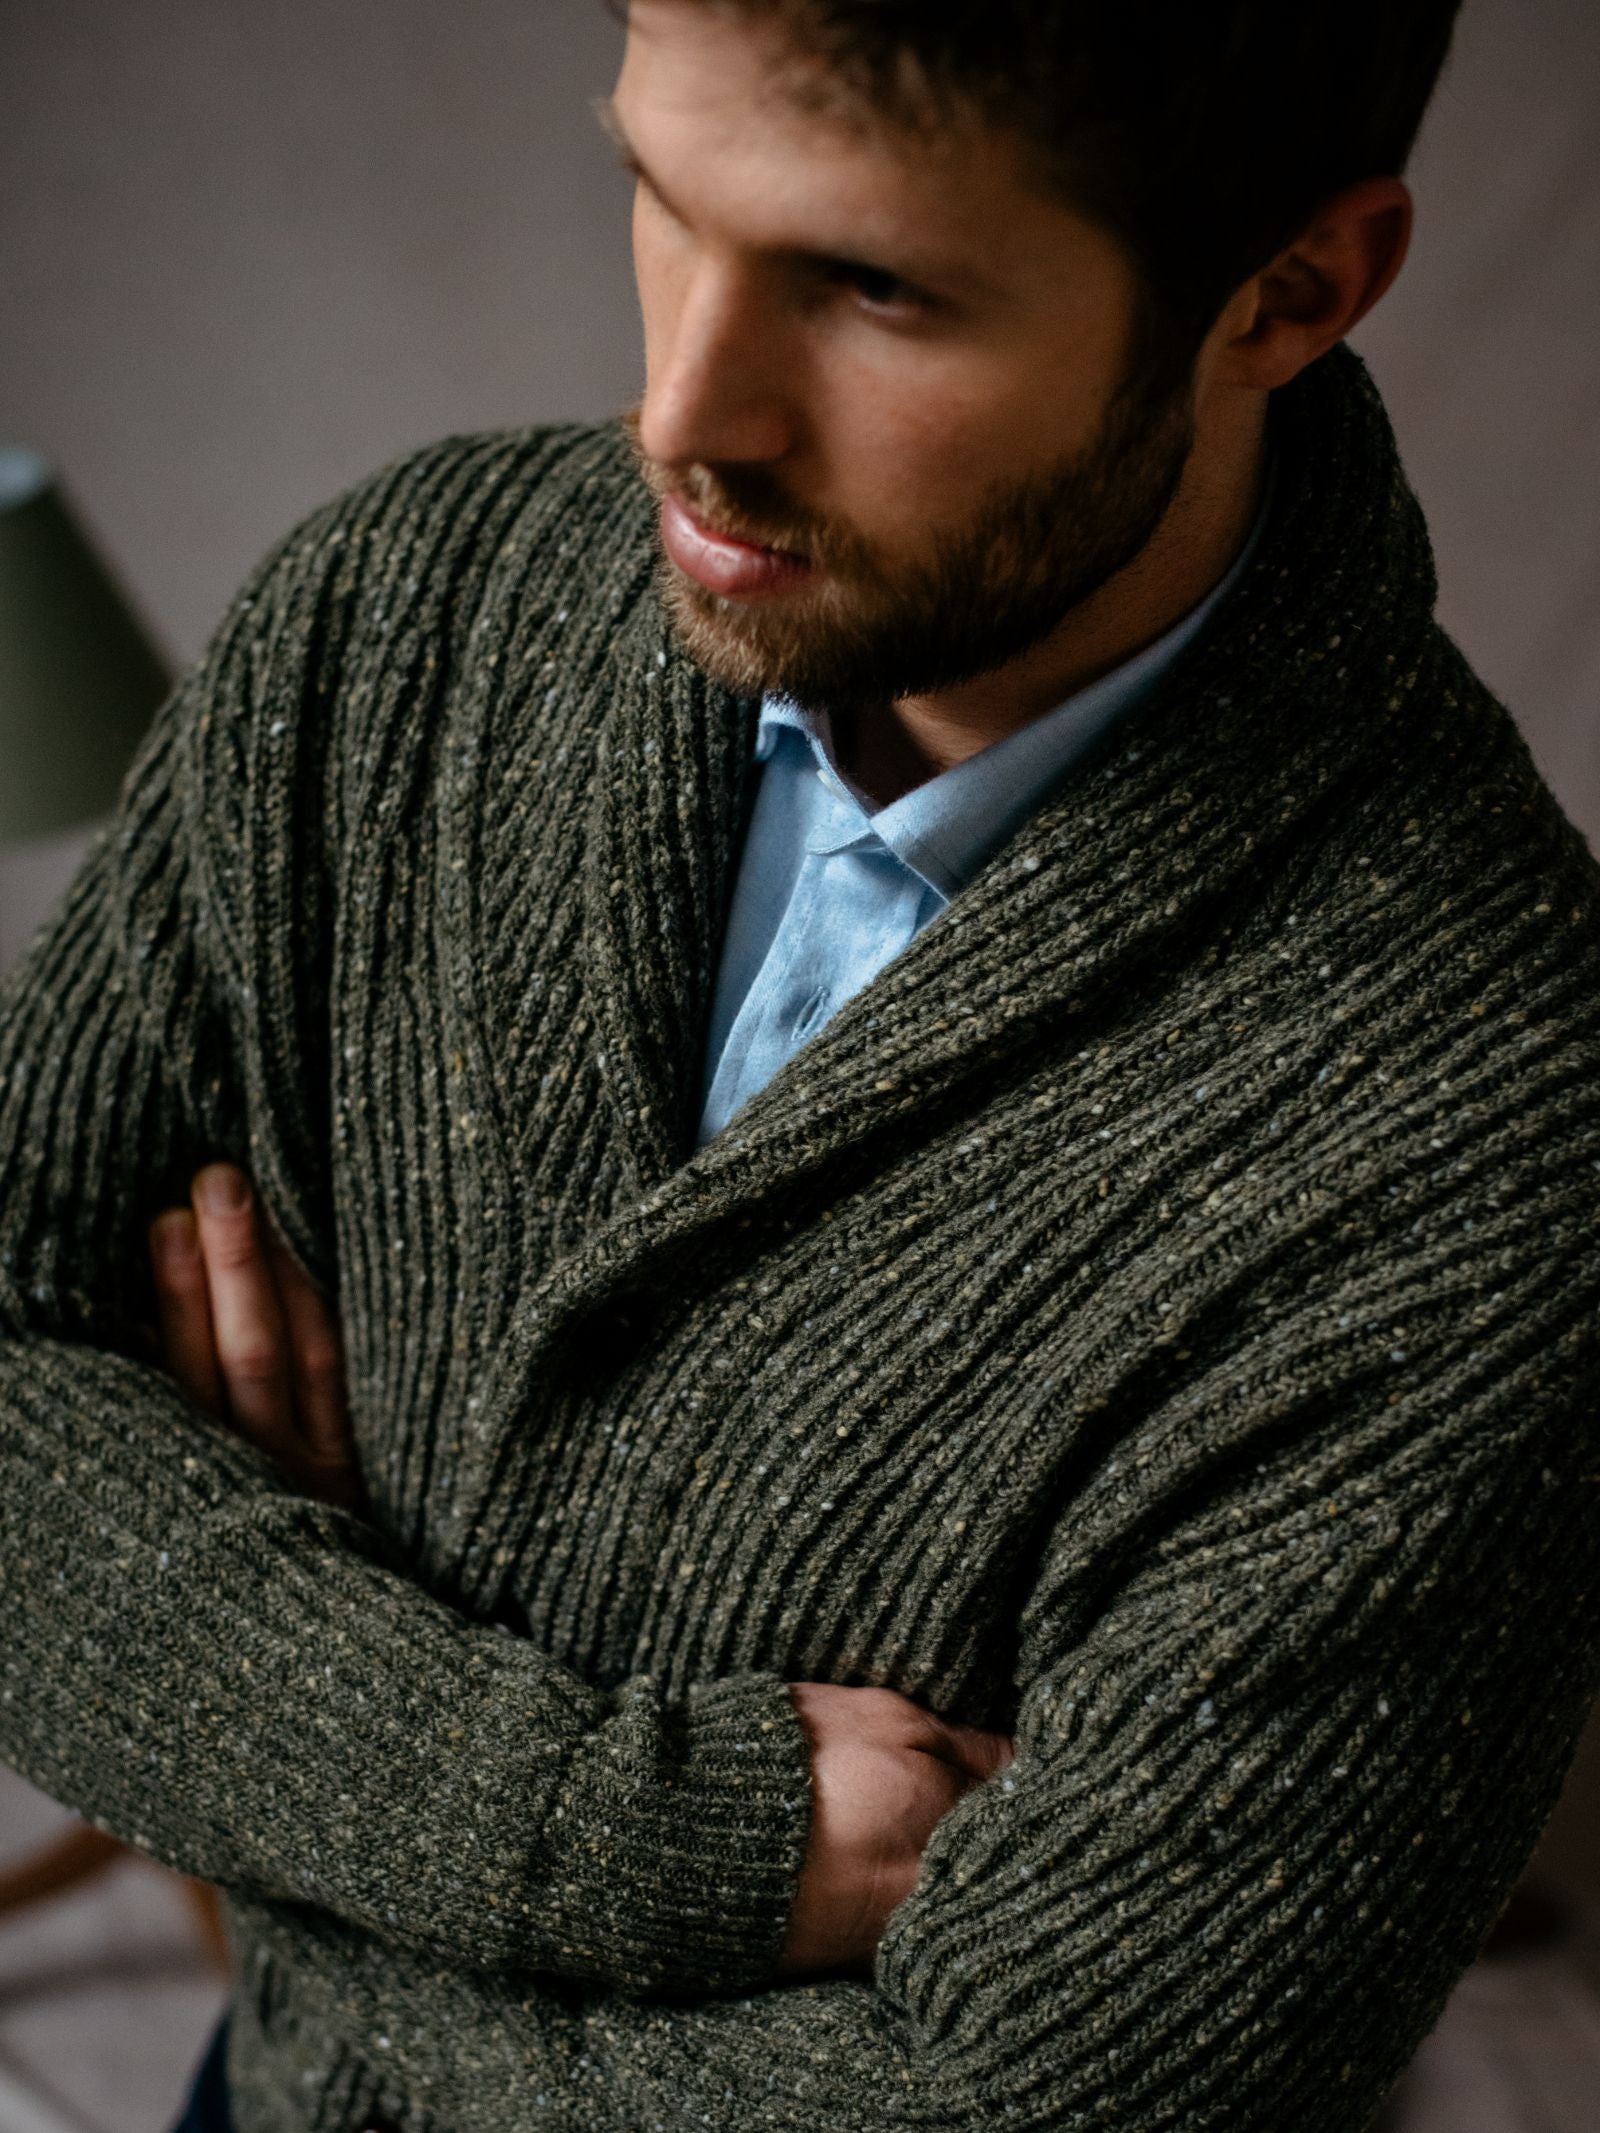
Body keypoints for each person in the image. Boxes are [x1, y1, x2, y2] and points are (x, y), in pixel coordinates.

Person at [4, 2, 1599, 2129]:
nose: (684, 415)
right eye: (657, 196)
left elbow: (1044, 2104)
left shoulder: (1495, 1125)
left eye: (872, 287)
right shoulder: (396, 617)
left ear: (1289, 291)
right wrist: (663, 1833)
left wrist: (257, 1703)